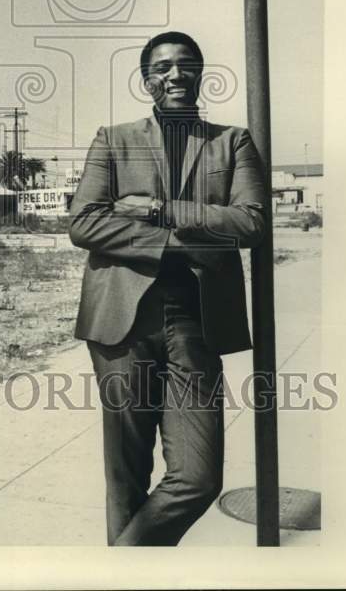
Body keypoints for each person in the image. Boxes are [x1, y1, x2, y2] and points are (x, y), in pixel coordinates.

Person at [69, 31, 266, 546]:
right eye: (162, 68)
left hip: (196, 321)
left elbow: (250, 223)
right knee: (126, 475)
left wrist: (161, 211)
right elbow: (84, 223)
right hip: (121, 322)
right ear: (146, 79)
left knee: (197, 479)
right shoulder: (113, 140)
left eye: (186, 65)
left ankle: (121, 564)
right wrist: (182, 239)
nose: (174, 75)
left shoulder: (233, 141)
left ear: (202, 73)